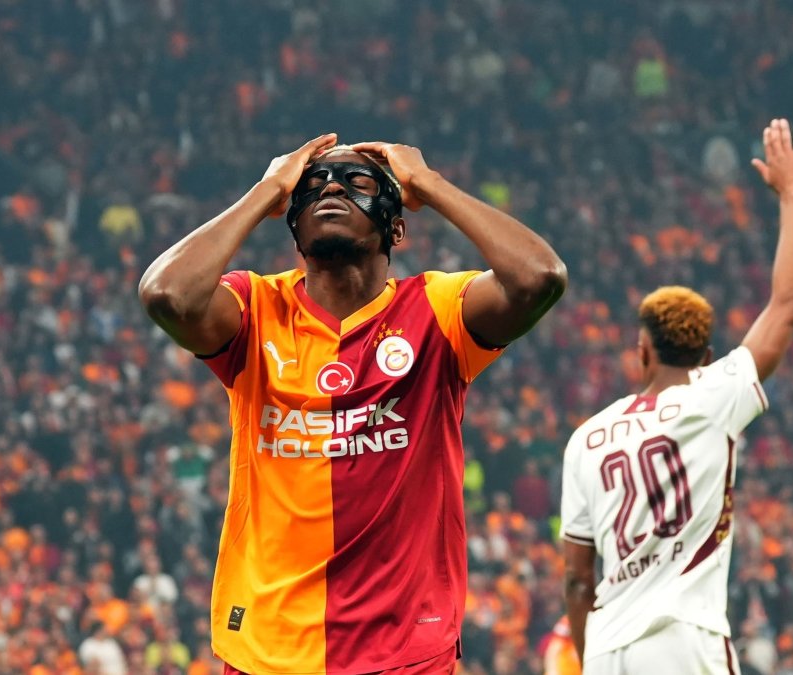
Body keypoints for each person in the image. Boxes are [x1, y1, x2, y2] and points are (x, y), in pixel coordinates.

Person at [138, 134, 567, 674]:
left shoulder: (436, 311)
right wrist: (267, 189)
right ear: (292, 224)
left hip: (404, 648)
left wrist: (429, 184)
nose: (332, 187)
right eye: (312, 186)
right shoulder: (255, 308)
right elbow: (165, 294)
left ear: (396, 226)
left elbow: (539, 278)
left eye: (357, 182)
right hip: (270, 647)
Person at [560, 119, 793, 674]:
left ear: (642, 351)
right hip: (681, 638)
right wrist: (792, 196)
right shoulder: (714, 395)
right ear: (705, 356)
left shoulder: (586, 438)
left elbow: (578, 577)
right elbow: (791, 299)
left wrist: (591, 657)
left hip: (606, 649)